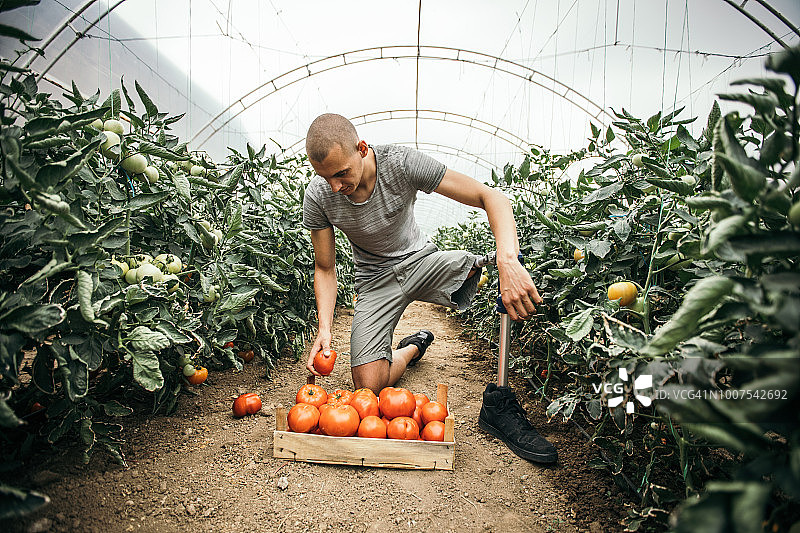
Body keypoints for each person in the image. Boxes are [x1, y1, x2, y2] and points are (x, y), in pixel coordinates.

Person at [301, 113, 557, 464]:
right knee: (369, 388)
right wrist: (325, 329)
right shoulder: (319, 196)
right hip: (375, 282)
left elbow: (492, 197)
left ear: (362, 149)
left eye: (341, 173)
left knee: (504, 259)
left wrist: (508, 261)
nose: (334, 186)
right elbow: (325, 267)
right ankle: (411, 350)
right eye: (325, 177)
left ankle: (500, 403)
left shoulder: (401, 163)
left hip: (422, 264)